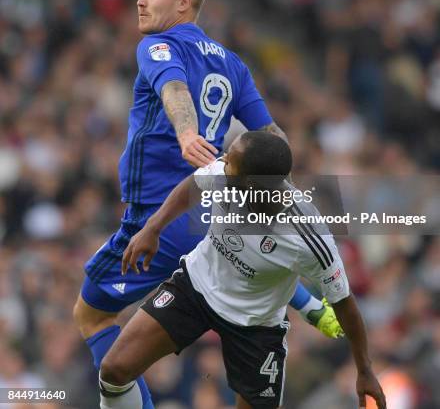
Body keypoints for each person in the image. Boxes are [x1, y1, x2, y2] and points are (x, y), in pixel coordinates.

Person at [73, 0, 342, 408]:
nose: (140, 2)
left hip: (160, 214)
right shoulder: (234, 65)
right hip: (214, 214)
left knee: (92, 317)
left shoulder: (158, 47)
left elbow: (173, 88)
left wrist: (185, 133)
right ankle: (310, 304)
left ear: (183, 3)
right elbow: (273, 137)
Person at [99, 131, 386, 409]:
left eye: (230, 160)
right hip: (196, 287)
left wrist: (364, 369)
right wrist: (153, 228)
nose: (222, 160)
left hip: (255, 326)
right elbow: (194, 185)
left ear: (250, 182)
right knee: (114, 371)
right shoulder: (225, 175)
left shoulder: (307, 236)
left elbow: (345, 303)